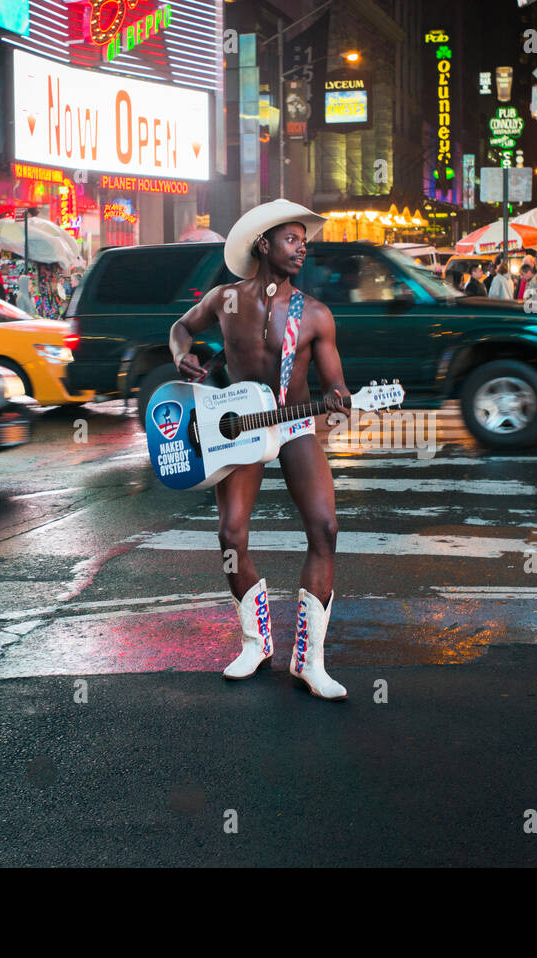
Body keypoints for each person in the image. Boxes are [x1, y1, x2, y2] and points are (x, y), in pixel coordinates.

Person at [169, 199, 351, 700]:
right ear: (264, 244)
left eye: (304, 242)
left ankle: (309, 662)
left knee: (326, 528)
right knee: (230, 534)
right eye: (292, 240)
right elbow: (181, 329)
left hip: (292, 424)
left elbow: (335, 387)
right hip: (238, 428)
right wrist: (183, 356)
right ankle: (256, 641)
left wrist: (339, 403)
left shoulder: (314, 314)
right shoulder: (225, 300)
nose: (302, 249)